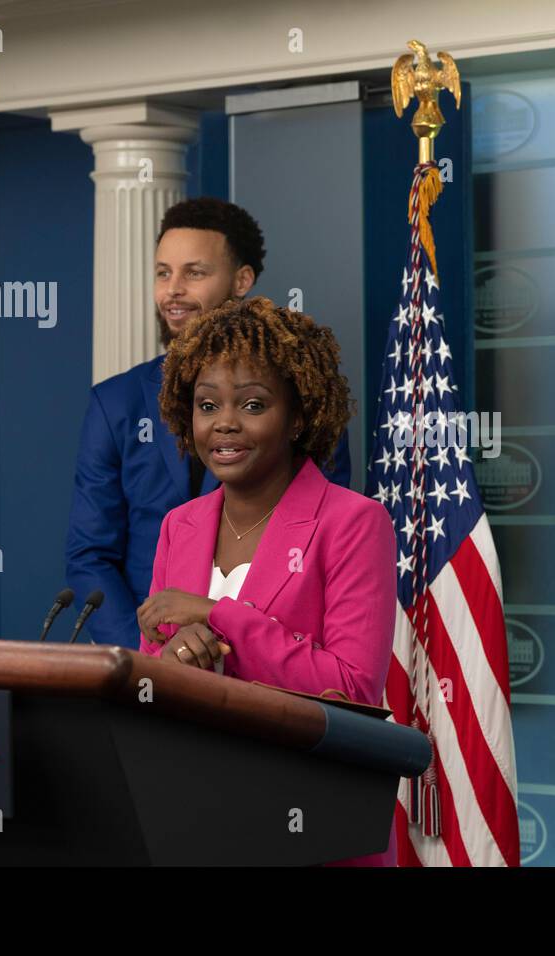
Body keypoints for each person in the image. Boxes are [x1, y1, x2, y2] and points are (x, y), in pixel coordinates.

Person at [135, 295, 397, 866]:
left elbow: (350, 692)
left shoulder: (353, 522)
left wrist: (215, 615)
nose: (225, 423)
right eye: (207, 405)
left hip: (315, 827)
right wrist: (177, 661)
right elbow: (151, 683)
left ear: (298, 415)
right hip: (194, 820)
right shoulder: (181, 526)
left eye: (253, 404)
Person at [64, 198, 352, 648]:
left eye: (194, 272)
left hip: (272, 670)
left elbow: (318, 545)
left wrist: (236, 643)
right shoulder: (114, 402)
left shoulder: (301, 395)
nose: (173, 290)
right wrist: (149, 661)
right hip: (151, 671)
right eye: (163, 273)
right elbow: (91, 555)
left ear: (242, 280)